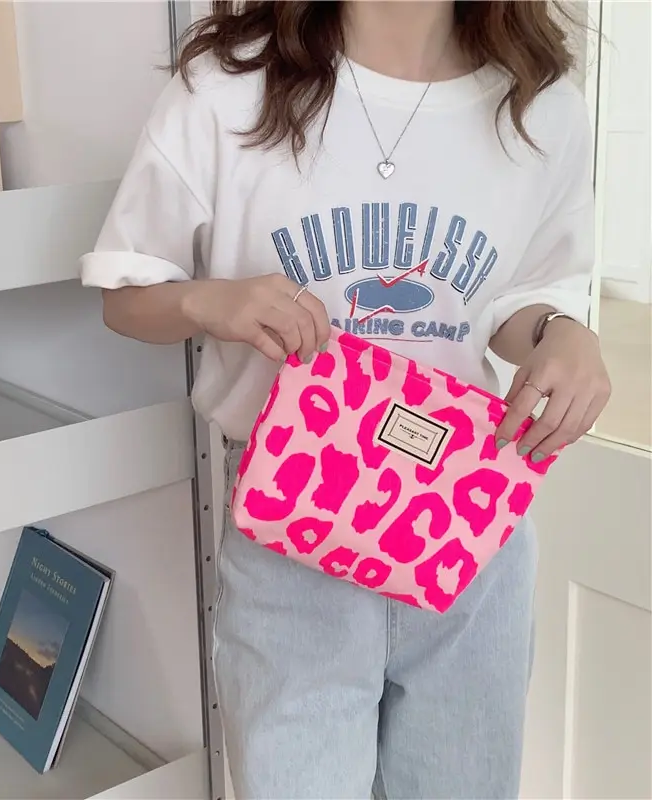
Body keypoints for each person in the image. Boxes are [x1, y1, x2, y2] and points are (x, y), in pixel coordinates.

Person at [79, 1, 611, 797]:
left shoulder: (540, 105)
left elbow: (519, 301)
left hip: (467, 531)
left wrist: (562, 333)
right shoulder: (228, 87)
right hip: (292, 526)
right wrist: (208, 301)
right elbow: (124, 293)